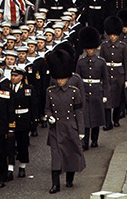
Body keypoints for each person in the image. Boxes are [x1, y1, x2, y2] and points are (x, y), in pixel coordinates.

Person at [45, 48, 85, 194]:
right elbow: (47, 108)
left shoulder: (74, 91)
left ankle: (69, 178)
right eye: (58, 78)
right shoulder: (50, 91)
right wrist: (49, 116)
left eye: (63, 78)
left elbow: (79, 111)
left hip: (70, 126)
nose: (60, 80)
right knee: (55, 156)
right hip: (56, 128)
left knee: (70, 154)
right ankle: (55, 184)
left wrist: (81, 130)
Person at [76, 26, 109, 150]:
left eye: (92, 49)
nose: (90, 51)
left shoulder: (101, 62)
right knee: (85, 118)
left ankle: (94, 140)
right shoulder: (81, 62)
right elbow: (77, 78)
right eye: (88, 49)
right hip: (84, 91)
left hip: (96, 91)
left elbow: (105, 80)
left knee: (95, 118)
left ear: (95, 48)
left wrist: (105, 94)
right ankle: (85, 141)